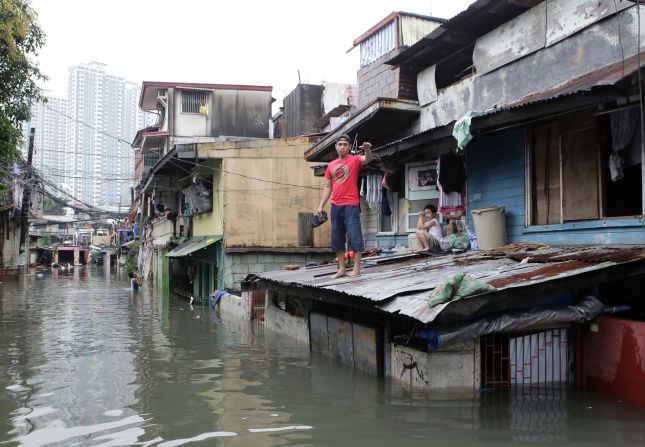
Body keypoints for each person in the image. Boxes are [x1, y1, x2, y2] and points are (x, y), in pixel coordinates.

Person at [317, 134, 372, 278]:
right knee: (337, 238)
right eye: (339, 144)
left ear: (349, 147)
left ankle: (356, 269)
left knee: (354, 236)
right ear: (336, 147)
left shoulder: (354, 160)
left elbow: (367, 159)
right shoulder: (331, 165)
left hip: (351, 205)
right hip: (335, 206)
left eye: (345, 145)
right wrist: (321, 205)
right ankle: (341, 269)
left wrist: (367, 150)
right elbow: (328, 186)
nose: (342, 147)